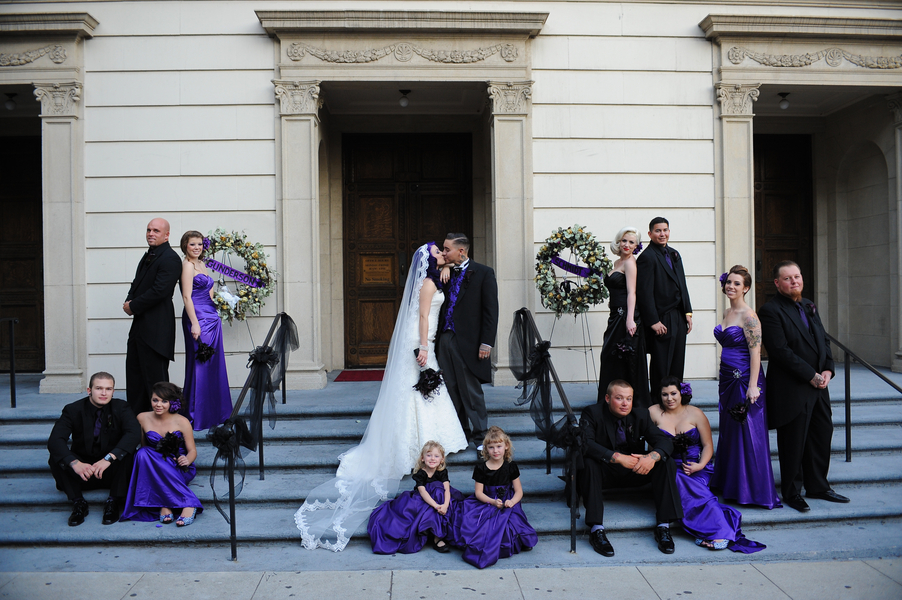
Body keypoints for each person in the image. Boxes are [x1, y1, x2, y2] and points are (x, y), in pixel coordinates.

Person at [295, 242, 468, 551]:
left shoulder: (436, 275)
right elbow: (425, 316)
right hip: (420, 341)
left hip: (421, 340)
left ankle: (429, 440)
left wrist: (445, 266)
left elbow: (453, 272)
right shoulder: (428, 284)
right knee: (418, 391)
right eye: (439, 253)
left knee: (424, 393)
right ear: (429, 261)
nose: (444, 254)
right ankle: (415, 443)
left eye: (445, 252)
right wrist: (425, 348)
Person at [759, 261, 848, 512]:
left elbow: (823, 340)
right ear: (777, 283)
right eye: (787, 278)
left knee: (821, 435)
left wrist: (828, 369)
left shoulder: (809, 304)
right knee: (793, 442)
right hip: (792, 387)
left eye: (797, 276)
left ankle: (818, 485)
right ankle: (792, 492)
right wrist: (811, 375)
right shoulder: (770, 310)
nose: (794, 281)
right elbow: (779, 351)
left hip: (820, 386)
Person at [650, 377, 766, 553]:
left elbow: (708, 446)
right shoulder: (653, 412)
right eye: (664, 394)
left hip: (697, 468)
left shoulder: (695, 413)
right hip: (668, 467)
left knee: (691, 488)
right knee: (674, 478)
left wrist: (699, 465)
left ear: (682, 393)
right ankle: (721, 530)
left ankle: (717, 529)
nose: (669, 398)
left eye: (673, 393)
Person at [578, 379, 682, 557]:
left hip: (635, 470)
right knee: (589, 463)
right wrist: (617, 458)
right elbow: (585, 444)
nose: (625, 403)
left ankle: (663, 527)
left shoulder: (641, 414)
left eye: (629, 398)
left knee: (666, 462)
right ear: (608, 398)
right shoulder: (592, 413)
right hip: (605, 470)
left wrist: (652, 457)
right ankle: (597, 530)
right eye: (619, 398)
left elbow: (664, 441)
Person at [710, 265, 781, 509]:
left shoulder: (749, 317)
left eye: (737, 284)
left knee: (746, 430)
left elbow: (756, 353)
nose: (731, 286)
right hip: (727, 377)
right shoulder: (729, 311)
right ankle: (730, 483)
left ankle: (751, 490)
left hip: (744, 379)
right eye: (729, 282)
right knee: (731, 428)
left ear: (746, 288)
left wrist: (753, 386)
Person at [47, 372, 141, 526]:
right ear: (89, 390)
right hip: (83, 472)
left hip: (110, 470)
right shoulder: (72, 409)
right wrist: (74, 463)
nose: (104, 393)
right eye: (99, 388)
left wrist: (109, 458)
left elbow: (134, 434)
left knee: (130, 453)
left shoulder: (121, 407)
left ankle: (113, 501)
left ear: (113, 391)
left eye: (108, 389)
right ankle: (78, 503)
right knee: (57, 457)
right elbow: (55, 440)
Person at [437, 233, 499, 449]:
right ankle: (459, 433)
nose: (443, 253)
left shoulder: (484, 273)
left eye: (447, 249)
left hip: (470, 341)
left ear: (461, 251)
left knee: (470, 390)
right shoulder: (444, 272)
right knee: (450, 389)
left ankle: (481, 435)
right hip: (445, 338)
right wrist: (445, 265)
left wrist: (486, 342)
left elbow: (491, 311)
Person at [120, 382, 203, 526]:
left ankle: (187, 504)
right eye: (155, 400)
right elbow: (144, 446)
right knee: (143, 453)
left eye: (164, 401)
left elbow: (192, 451)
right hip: (154, 463)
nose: (159, 404)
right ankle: (166, 503)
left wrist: (187, 460)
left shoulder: (182, 422)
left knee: (146, 455)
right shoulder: (142, 418)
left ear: (173, 402)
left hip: (177, 465)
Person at [455, 426, 537, 569]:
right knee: (484, 524)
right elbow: (479, 493)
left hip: (507, 501)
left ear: (506, 446)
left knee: (511, 522)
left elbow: (519, 491)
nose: (495, 450)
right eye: (491, 447)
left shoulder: (511, 467)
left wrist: (512, 501)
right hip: (487, 501)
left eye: (499, 446)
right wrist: (492, 501)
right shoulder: (481, 468)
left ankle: (516, 542)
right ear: (486, 449)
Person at [124, 218, 182, 415]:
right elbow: (137, 283)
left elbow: (160, 291)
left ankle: (161, 429)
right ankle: (136, 425)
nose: (151, 233)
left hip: (157, 330)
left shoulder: (171, 258)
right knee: (135, 378)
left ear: (166, 235)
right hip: (140, 328)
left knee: (155, 381)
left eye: (156, 230)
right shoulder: (149, 255)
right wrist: (129, 300)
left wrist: (133, 306)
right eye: (149, 230)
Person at [367, 441, 464, 554]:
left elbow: (447, 489)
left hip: (441, 499)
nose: (432, 459)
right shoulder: (420, 474)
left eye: (436, 456)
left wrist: (445, 505)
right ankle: (436, 536)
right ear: (422, 458)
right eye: (429, 455)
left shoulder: (442, 472)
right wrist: (436, 506)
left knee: (440, 491)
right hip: (424, 499)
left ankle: (439, 535)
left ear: (442, 459)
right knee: (432, 501)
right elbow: (423, 492)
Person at [179, 230, 232, 431]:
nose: (197, 247)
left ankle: (216, 412)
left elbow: (209, 291)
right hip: (198, 317)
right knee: (200, 363)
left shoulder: (202, 264)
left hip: (211, 317)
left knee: (213, 364)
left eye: (200, 244)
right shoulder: (187, 266)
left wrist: (218, 309)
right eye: (193, 244)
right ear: (185, 246)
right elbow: (186, 297)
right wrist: (194, 323)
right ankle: (196, 414)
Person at [636, 217, 693, 394]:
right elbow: (644, 292)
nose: (662, 234)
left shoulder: (674, 254)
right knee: (661, 365)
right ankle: (658, 405)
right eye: (658, 231)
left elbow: (682, 285)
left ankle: (675, 403)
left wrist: (688, 313)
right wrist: (653, 321)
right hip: (662, 318)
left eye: (665, 230)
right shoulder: (646, 257)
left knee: (677, 361)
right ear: (650, 233)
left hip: (678, 317)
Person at [597, 226, 650, 409]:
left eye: (631, 242)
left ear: (636, 246)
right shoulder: (617, 263)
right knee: (610, 356)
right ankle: (611, 399)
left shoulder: (630, 263)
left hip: (625, 317)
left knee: (622, 357)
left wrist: (630, 319)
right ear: (618, 242)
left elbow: (632, 293)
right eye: (624, 241)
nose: (627, 245)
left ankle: (628, 402)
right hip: (615, 315)